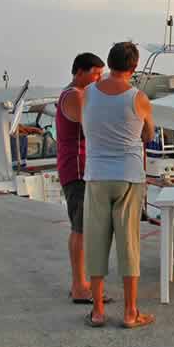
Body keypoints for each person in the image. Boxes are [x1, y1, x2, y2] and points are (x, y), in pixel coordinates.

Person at [81, 42, 155, 328]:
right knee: (129, 245)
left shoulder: (88, 93)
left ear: (109, 63)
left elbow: (86, 126)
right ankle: (130, 312)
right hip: (128, 176)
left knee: (96, 243)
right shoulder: (139, 98)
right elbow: (148, 134)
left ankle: (98, 311)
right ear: (134, 67)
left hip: (97, 175)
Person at [56, 52, 105, 304]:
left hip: (83, 167)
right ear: (80, 72)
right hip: (76, 168)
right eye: (96, 73)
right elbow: (91, 125)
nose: (99, 78)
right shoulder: (73, 95)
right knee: (81, 228)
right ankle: (78, 285)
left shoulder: (80, 94)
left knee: (84, 227)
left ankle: (83, 283)